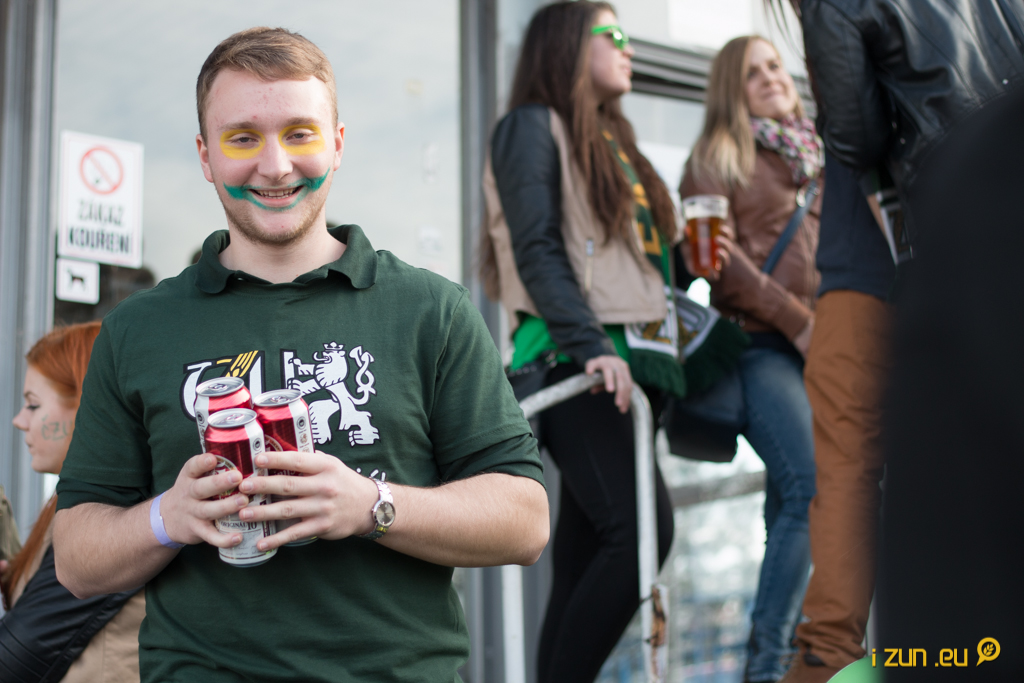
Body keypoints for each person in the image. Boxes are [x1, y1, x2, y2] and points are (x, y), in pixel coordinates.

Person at [51, 27, 549, 683]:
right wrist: (167, 517)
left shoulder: (432, 310)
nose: (276, 165)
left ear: (337, 144)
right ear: (205, 156)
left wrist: (370, 504)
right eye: (242, 138)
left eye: (300, 134)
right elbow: (75, 561)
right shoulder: (138, 329)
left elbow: (525, 520)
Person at [480, 2, 710, 680]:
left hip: (628, 367)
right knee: (642, 535)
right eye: (612, 34)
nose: (627, 46)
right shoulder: (531, 126)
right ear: (568, 44)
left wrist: (697, 265)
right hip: (578, 364)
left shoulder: (614, 143)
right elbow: (537, 247)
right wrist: (590, 346)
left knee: (586, 560)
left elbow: (638, 274)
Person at [679, 35, 821, 683]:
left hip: (828, 350)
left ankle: (794, 659)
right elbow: (722, 267)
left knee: (790, 502)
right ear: (730, 91)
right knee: (810, 491)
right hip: (763, 345)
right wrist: (798, 321)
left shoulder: (818, 156)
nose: (770, 78)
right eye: (752, 73)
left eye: (774, 66)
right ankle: (767, 666)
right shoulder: (715, 158)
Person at [2, 322, 145, 683]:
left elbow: (21, 654)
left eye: (33, 405)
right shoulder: (81, 498)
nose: (19, 421)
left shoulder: (113, 504)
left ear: (87, 407)